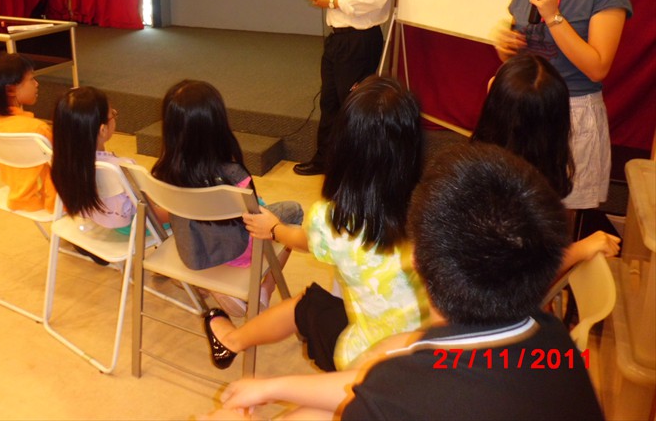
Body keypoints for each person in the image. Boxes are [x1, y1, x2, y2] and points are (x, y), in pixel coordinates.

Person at [214, 144, 604, 420]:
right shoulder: (553, 340)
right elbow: (369, 384)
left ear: (416, 261)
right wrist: (272, 387)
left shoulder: (401, 397)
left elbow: (380, 394)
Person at [204, 76, 427, 372]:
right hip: (433, 350)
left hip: (372, 363)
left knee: (306, 304)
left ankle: (231, 340)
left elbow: (304, 241)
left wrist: (274, 228)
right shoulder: (437, 204)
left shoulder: (334, 220)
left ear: (345, 146)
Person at [494, 0, 632, 213]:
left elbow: (597, 67)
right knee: (514, 208)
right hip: (524, 109)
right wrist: (505, 47)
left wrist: (553, 15)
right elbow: (525, 58)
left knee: (558, 215)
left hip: (572, 112)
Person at [151, 79, 304, 318]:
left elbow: (162, 214)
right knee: (293, 211)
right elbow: (255, 219)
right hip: (237, 252)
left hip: (192, 250)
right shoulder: (233, 175)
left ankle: (203, 283)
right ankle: (265, 288)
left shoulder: (162, 173)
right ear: (217, 123)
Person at [472, 53, 620, 276]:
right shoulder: (510, 190)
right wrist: (580, 249)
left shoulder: (478, 163)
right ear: (558, 124)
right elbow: (512, 276)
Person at [294, 0, 397, 176]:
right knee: (330, 103)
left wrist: (333, 0)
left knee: (353, 109)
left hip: (360, 41)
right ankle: (325, 160)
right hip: (338, 39)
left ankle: (351, 171)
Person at [50, 86, 140, 266]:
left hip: (89, 221)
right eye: (112, 114)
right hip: (125, 229)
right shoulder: (121, 168)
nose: (114, 115)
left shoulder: (64, 161)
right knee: (179, 211)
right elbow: (146, 211)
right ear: (102, 130)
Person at [0, 53, 56, 213]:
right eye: (31, 79)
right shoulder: (37, 129)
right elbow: (62, 165)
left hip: (17, 193)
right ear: (11, 90)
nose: (36, 84)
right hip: (50, 201)